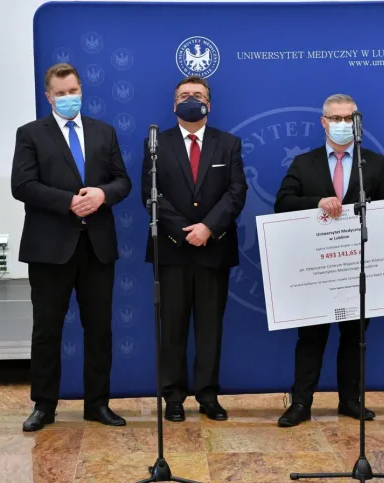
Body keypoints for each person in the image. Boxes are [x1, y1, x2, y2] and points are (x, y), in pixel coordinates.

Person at [11, 63, 132, 432]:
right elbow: (22, 185)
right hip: (49, 248)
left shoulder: (104, 132)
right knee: (47, 330)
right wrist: (69, 201)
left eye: (74, 91)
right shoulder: (31, 133)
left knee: (99, 329)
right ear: (48, 97)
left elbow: (122, 181)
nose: (69, 98)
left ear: (82, 90)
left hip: (96, 247)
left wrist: (101, 194)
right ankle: (44, 406)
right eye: (61, 93)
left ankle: (98, 403)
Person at [273, 94, 384, 427]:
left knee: (355, 338)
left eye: (349, 118)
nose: (342, 125)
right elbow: (282, 203)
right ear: (323, 122)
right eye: (336, 119)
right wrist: (317, 202)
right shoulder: (303, 162)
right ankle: (300, 404)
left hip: (356, 268)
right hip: (316, 268)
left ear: (359, 122)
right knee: (310, 338)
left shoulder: (376, 164)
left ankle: (351, 400)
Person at [141, 76, 247, 422]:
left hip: (213, 249)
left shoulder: (228, 144)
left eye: (197, 95)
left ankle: (208, 395)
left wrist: (208, 228)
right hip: (172, 250)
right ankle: (173, 396)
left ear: (209, 105)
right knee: (171, 328)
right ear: (174, 105)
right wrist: (183, 231)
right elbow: (151, 194)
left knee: (209, 328)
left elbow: (236, 192)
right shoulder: (156, 144)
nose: (191, 99)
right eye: (184, 95)